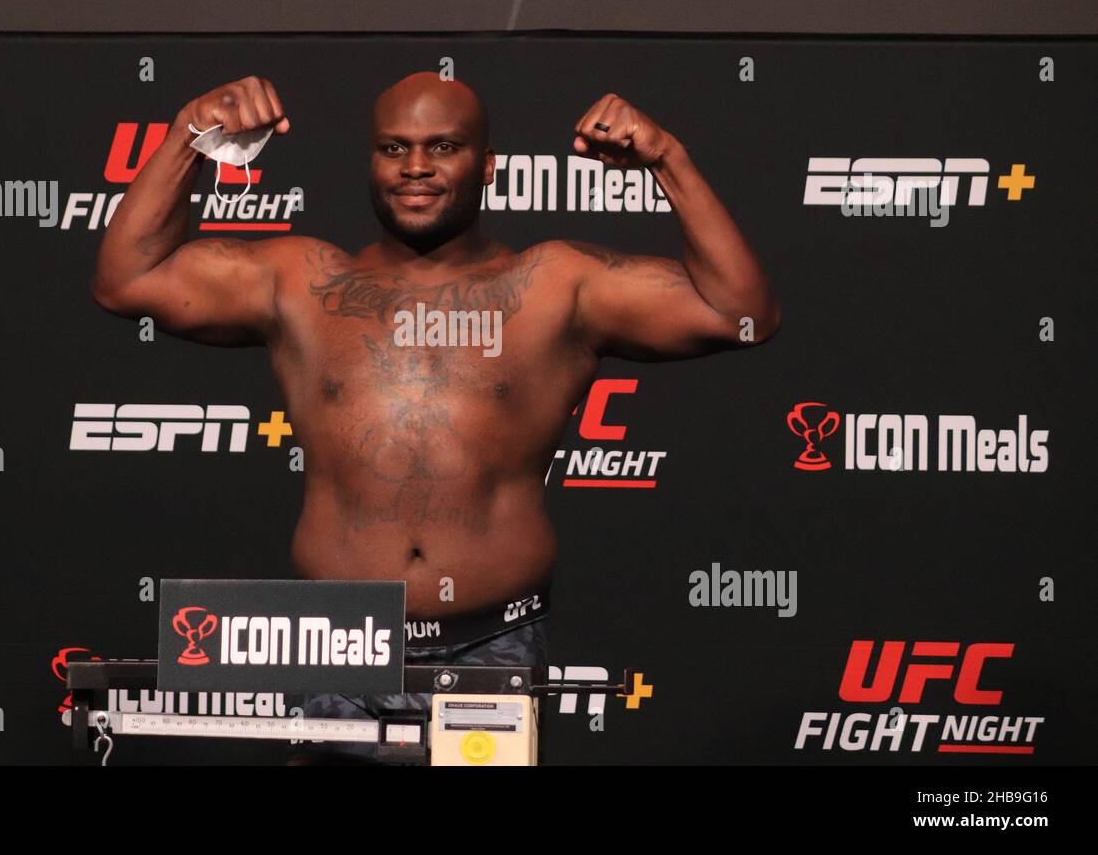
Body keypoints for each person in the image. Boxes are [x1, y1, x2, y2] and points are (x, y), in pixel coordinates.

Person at [90, 72, 781, 762]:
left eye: (442, 146)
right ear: (371, 160)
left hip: (491, 647)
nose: (415, 167)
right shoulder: (301, 281)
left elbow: (741, 315)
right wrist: (190, 131)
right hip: (335, 644)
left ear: (487, 166)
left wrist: (668, 159)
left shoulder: (554, 286)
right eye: (394, 148)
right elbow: (126, 280)